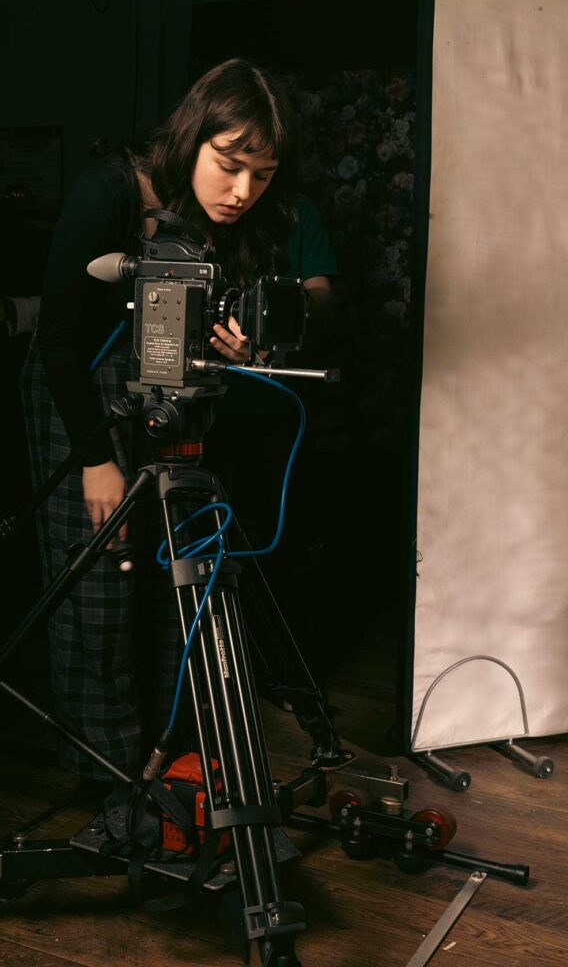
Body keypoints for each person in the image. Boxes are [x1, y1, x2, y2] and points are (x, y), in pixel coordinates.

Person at [19, 58, 338, 790]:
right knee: (102, 581)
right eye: (229, 165)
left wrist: (241, 345)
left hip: (178, 386)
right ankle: (108, 776)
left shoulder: (247, 215)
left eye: (262, 175)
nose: (242, 191)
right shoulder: (109, 191)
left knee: (180, 572)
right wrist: (96, 460)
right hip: (84, 391)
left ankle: (170, 762)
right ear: (193, 138)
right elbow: (59, 340)